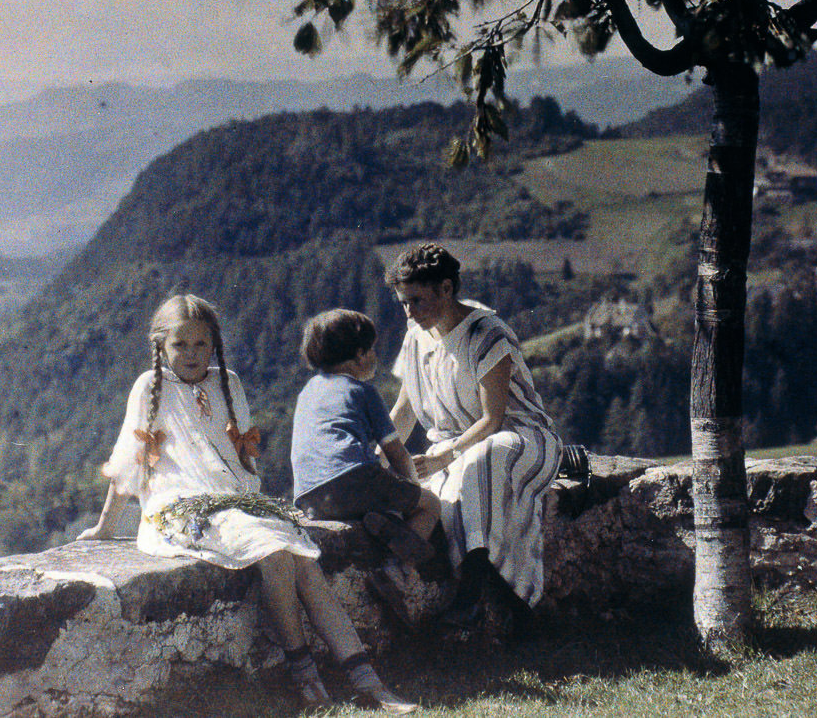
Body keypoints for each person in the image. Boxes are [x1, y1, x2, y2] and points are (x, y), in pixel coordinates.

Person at [78, 294, 417, 713]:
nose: (191, 354)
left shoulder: (229, 383)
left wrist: (244, 500)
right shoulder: (151, 386)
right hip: (178, 507)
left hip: (234, 502)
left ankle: (367, 679)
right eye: (180, 345)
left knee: (303, 562)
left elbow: (241, 462)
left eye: (201, 344)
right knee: (276, 556)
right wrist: (106, 528)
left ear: (214, 344)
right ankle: (305, 675)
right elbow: (129, 461)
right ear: (162, 347)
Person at [386, 244, 564, 631]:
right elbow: (404, 411)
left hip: (519, 437)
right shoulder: (415, 337)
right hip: (457, 445)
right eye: (403, 303)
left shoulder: (486, 332)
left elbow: (493, 419)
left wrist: (443, 457)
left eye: (416, 300)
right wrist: (378, 457)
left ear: (446, 289)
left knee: (482, 461)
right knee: (442, 483)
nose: (409, 312)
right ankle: (493, 600)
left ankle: (470, 591)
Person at [291, 308, 440, 566]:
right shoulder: (362, 391)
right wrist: (411, 491)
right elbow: (397, 454)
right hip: (353, 481)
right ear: (360, 355)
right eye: (371, 349)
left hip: (308, 497)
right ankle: (394, 570)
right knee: (430, 505)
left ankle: (381, 522)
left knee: (375, 500)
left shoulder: (306, 392)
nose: (375, 355)